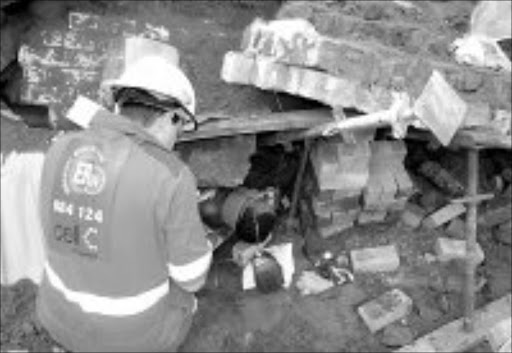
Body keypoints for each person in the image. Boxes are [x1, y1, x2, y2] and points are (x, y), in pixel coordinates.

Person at [35, 53, 213, 352]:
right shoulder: (171, 174)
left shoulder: (60, 148)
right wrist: (201, 240)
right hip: (127, 340)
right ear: (172, 116)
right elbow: (192, 278)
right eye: (180, 127)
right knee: (187, 298)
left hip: (55, 317)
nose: (177, 138)